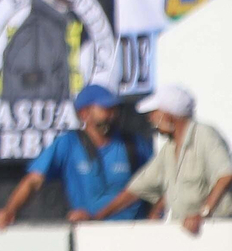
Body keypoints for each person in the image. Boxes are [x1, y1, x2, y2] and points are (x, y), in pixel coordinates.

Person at [0, 86, 152, 227]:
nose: (113, 115)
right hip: (88, 234)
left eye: (115, 110)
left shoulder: (134, 144)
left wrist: (155, 221)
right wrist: (9, 211)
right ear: (84, 113)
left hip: (133, 234)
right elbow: (33, 181)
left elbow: (159, 182)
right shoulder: (68, 143)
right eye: (106, 109)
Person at [95, 85, 232, 234]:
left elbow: (225, 175)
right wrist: (97, 217)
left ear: (168, 114)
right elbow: (136, 189)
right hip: (186, 232)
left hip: (216, 231)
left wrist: (203, 213)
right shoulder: (169, 149)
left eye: (154, 113)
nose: (150, 119)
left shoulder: (205, 135)